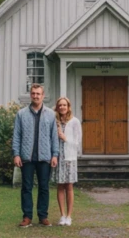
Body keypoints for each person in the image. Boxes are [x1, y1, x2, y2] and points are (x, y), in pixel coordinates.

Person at [12, 83, 59, 227]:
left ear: (43, 96)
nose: (36, 96)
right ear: (30, 95)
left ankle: (43, 216)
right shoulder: (21, 114)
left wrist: (55, 154)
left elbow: (54, 136)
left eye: (38, 94)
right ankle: (27, 217)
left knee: (44, 187)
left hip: (45, 157)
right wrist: (16, 154)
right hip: (27, 157)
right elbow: (16, 135)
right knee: (26, 187)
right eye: (33, 93)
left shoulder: (50, 115)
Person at [54, 97, 82, 226]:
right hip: (58, 157)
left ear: (68, 106)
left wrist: (65, 138)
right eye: (60, 105)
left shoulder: (74, 122)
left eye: (64, 105)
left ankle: (69, 216)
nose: (62, 107)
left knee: (69, 186)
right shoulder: (55, 122)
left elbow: (77, 142)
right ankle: (62, 215)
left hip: (70, 158)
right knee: (60, 185)